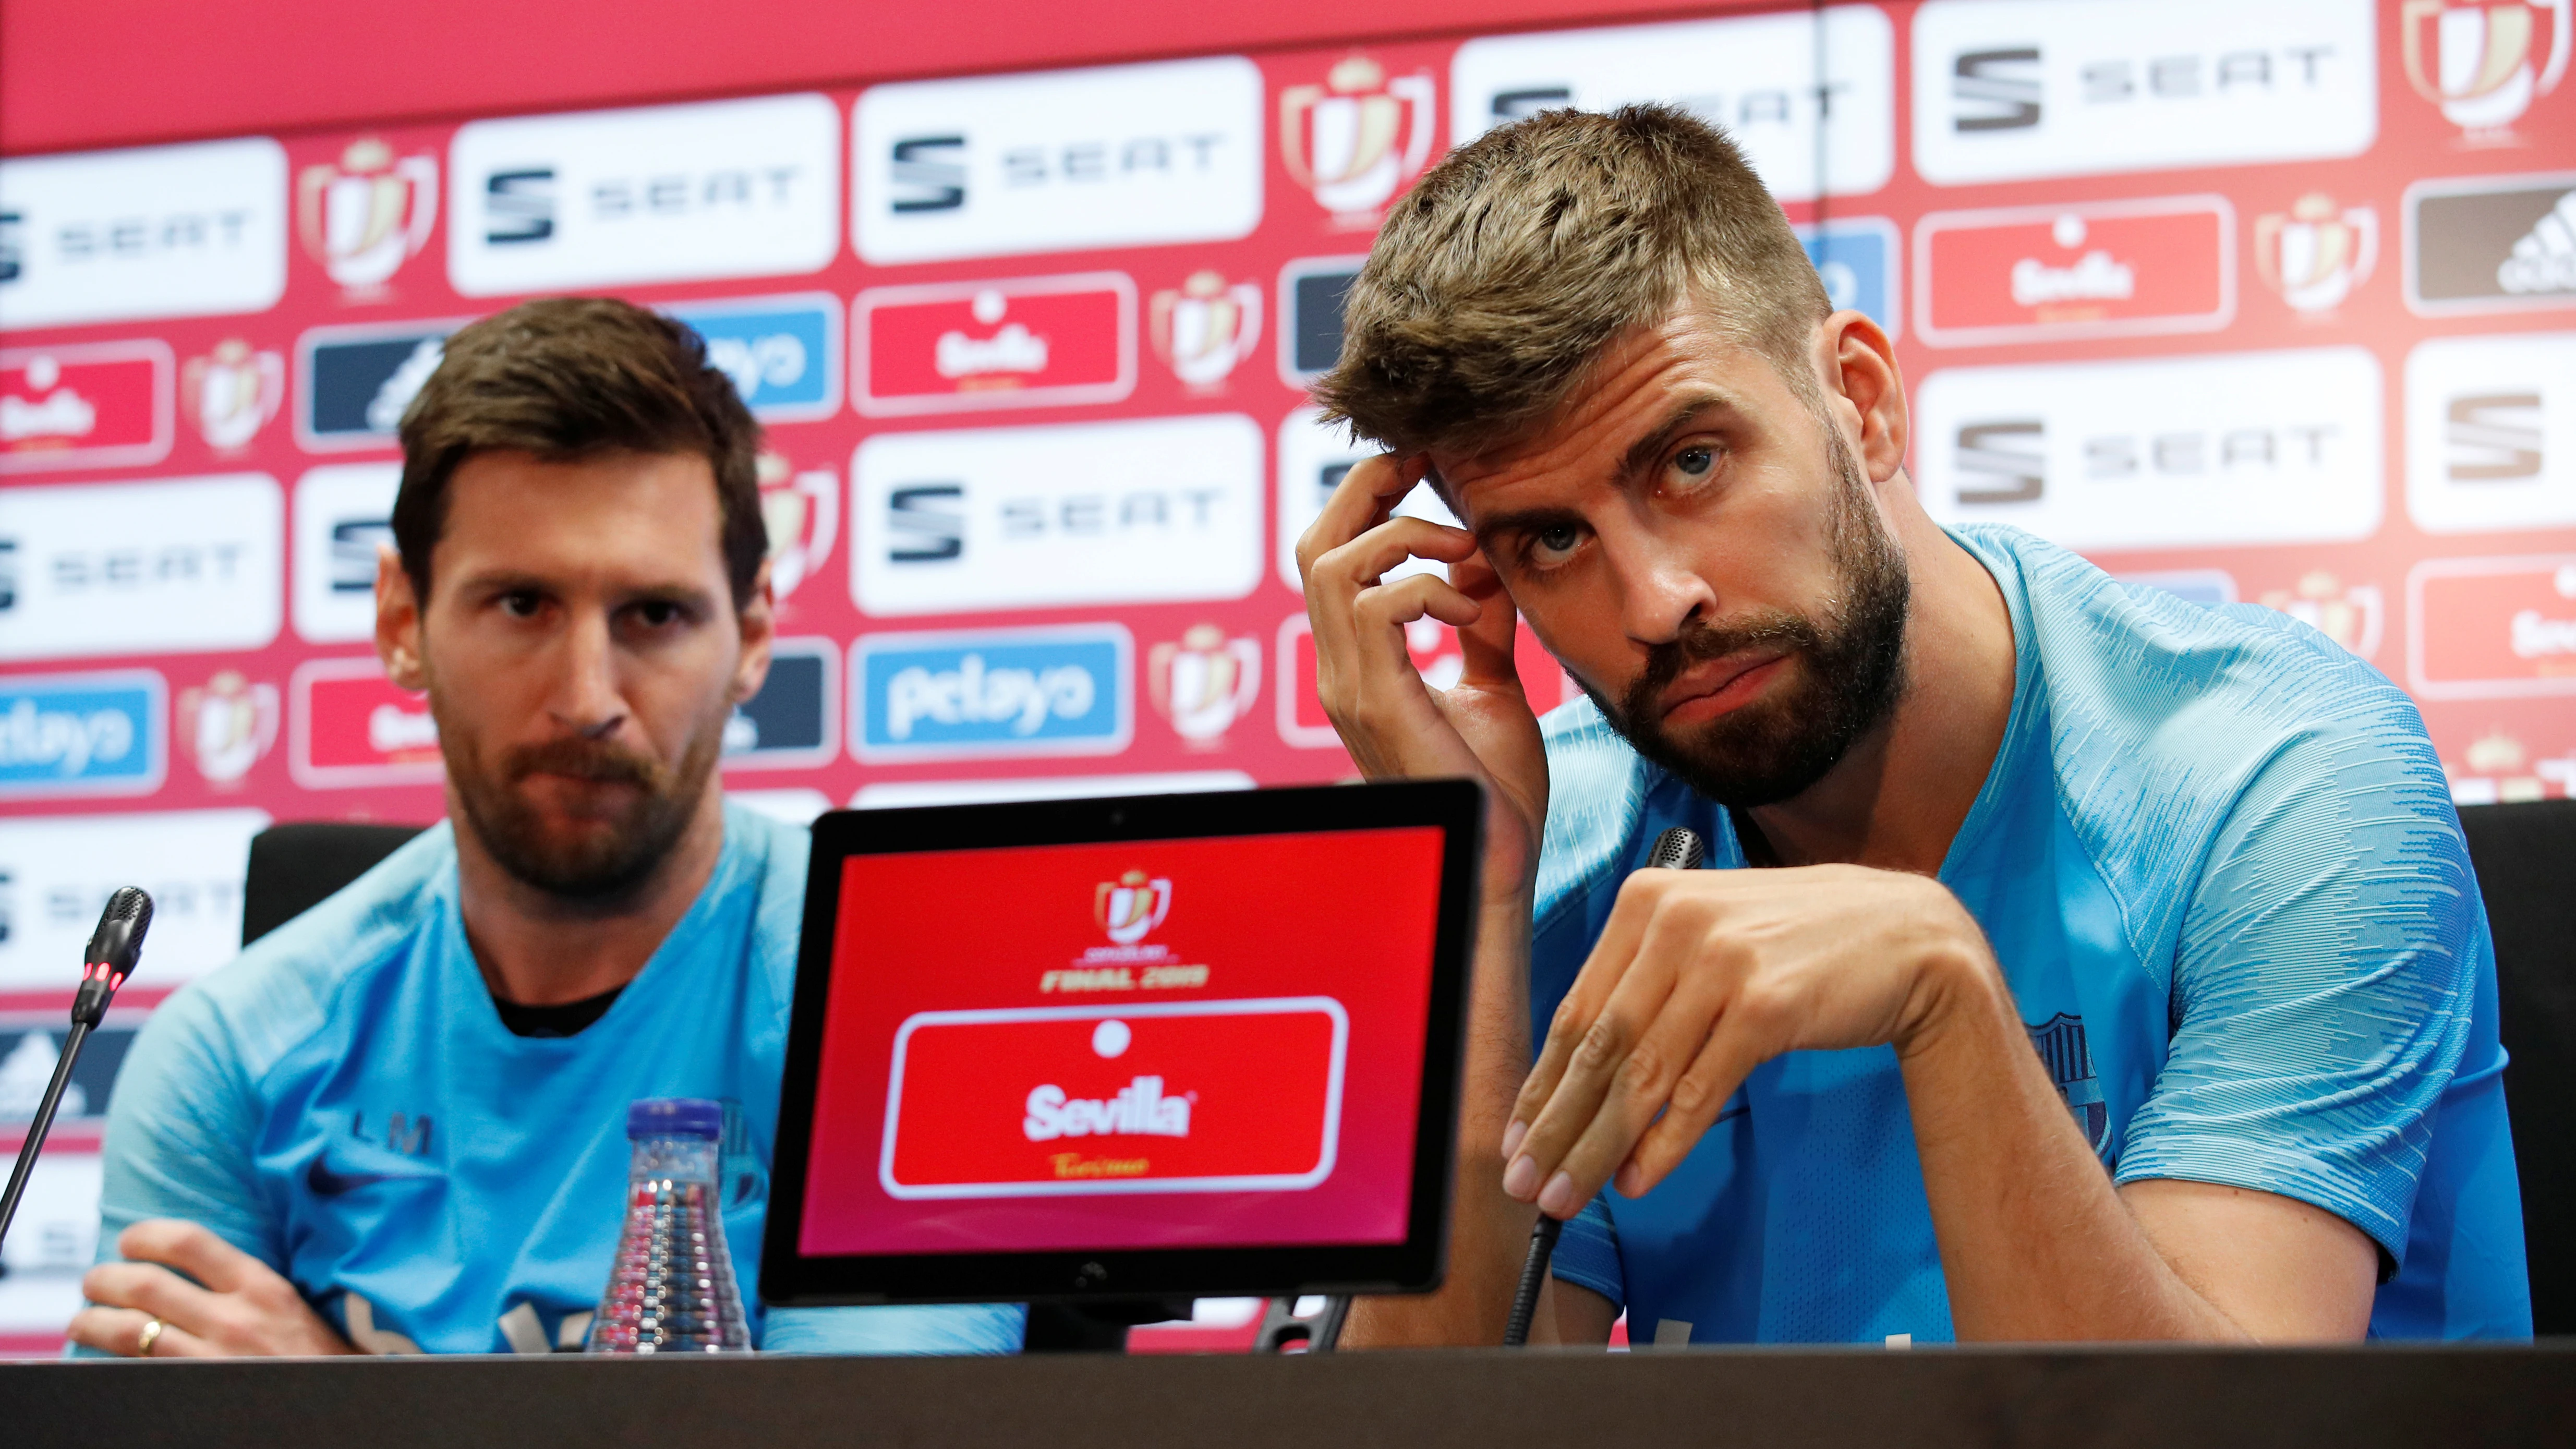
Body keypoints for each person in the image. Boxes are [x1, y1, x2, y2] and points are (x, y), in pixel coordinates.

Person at [1297, 106, 2529, 1346]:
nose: (1657, 603)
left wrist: (1943, 995)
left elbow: (2210, 1434)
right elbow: (1432, 1425)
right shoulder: (1556, 851)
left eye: (1691, 463)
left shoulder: (2280, 779)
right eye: (1553, 541)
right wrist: (1470, 905)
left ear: (1862, 401)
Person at [70, 298, 1025, 1357]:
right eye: (522, 605)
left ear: (752, 635)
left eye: (653, 615)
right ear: (401, 623)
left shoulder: (891, 1022)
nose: (587, 696)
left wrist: (335, 1414)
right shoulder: (233, 1057)